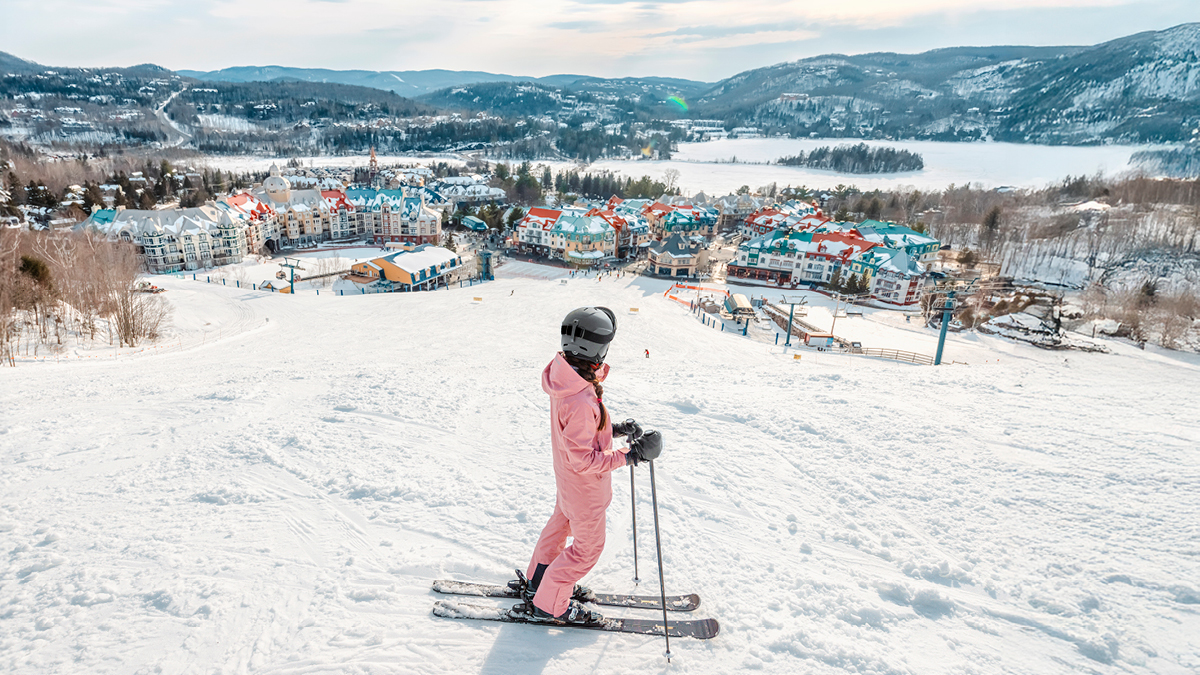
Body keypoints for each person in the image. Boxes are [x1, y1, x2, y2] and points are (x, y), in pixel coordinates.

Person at [508, 306, 664, 626]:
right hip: (584, 490)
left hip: (568, 485)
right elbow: (583, 459)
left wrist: (616, 429)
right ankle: (551, 603)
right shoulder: (579, 399)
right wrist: (630, 455)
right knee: (586, 551)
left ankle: (541, 582)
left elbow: (578, 436)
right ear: (599, 350)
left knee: (558, 530)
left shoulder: (566, 379)